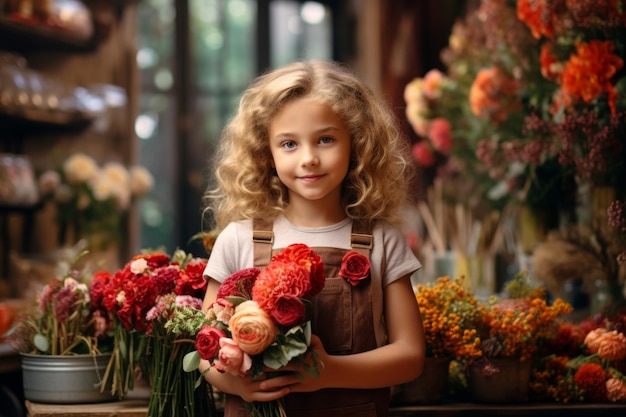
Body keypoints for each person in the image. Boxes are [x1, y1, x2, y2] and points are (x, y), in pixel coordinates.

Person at [200, 59, 425, 417]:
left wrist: (330, 372)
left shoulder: (382, 240)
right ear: (266, 154)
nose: (308, 159)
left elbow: (410, 356)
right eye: (289, 144)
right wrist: (238, 384)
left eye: (325, 139)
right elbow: (206, 353)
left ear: (357, 144)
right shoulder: (238, 238)